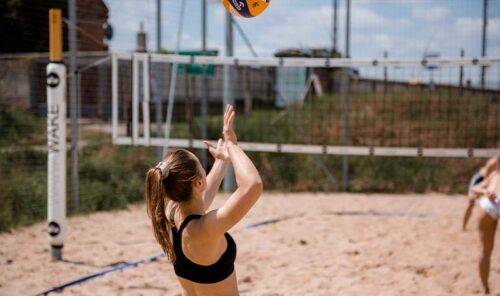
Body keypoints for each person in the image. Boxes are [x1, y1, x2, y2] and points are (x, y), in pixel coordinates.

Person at [145, 105, 263, 296]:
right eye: (201, 165)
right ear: (198, 182)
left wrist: (222, 161)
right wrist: (232, 144)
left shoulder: (172, 214)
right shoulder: (204, 231)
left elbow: (200, 198)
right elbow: (253, 185)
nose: (203, 166)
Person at [468, 157, 500, 294]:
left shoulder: (494, 173)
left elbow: (475, 188)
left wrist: (485, 192)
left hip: (488, 205)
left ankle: (486, 289)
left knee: (485, 251)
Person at [463, 157, 499, 231]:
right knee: (471, 202)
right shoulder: (493, 162)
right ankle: (464, 226)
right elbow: (486, 178)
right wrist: (485, 191)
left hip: (491, 180)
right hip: (481, 179)